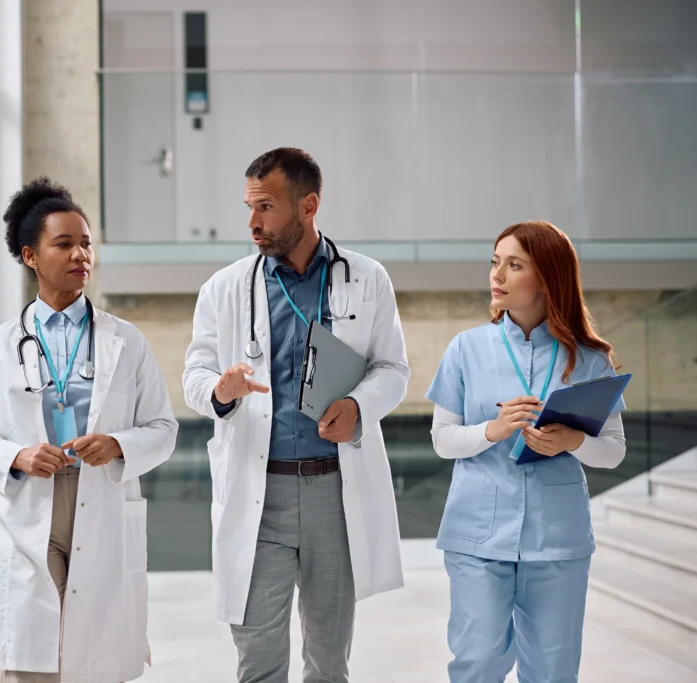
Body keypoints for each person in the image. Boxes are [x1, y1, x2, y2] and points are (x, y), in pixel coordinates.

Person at [182, 147, 410, 682]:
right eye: (248, 206)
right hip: (259, 496)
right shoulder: (224, 288)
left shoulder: (367, 278)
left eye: (265, 207)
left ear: (308, 205)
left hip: (334, 490)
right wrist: (221, 389)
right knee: (259, 661)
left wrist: (358, 406)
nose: (252, 222)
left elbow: (393, 370)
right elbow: (194, 377)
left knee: (329, 662)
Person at [0, 178, 178, 683]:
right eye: (64, 244)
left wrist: (118, 443)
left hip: (100, 497)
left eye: (86, 243)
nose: (81, 254)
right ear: (31, 256)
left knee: (95, 655)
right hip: (30, 505)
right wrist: (18, 456)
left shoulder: (126, 340)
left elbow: (163, 429)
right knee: (35, 661)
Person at [426, 220, 627, 682]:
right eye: (495, 262)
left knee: (553, 671)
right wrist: (492, 431)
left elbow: (613, 450)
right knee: (476, 662)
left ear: (547, 278)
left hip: (557, 540)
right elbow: (442, 439)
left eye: (514, 265)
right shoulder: (466, 349)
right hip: (476, 535)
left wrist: (572, 441)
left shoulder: (591, 359)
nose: (497, 275)